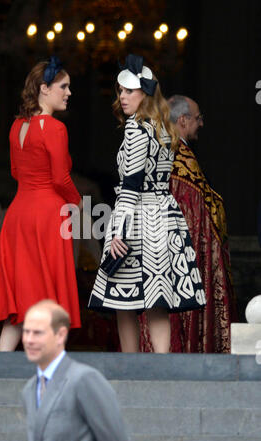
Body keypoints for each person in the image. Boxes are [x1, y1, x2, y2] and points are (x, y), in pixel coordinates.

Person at [88, 54, 206, 353]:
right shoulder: (164, 128)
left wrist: (117, 231)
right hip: (165, 216)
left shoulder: (135, 128)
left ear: (145, 93)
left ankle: (131, 368)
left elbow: (130, 186)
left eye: (130, 91)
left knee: (122, 301)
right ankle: (161, 369)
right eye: (121, 90)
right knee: (157, 300)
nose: (122, 96)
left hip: (139, 218)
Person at [0, 56, 82, 351]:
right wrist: (76, 202)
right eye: (64, 86)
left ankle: (0, 367)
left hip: (18, 213)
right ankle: (51, 371)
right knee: (47, 296)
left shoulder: (16, 127)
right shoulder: (55, 128)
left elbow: (15, 173)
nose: (69, 92)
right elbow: (60, 178)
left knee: (21, 298)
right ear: (44, 89)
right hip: (47, 214)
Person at [167, 95, 238, 353]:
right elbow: (194, 210)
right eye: (198, 118)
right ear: (183, 120)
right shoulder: (178, 157)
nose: (201, 124)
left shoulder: (169, 152)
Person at [21, 299, 131, 441]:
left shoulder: (84, 379)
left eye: (38, 333)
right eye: (26, 332)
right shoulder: (30, 388)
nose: (29, 340)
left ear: (60, 335)